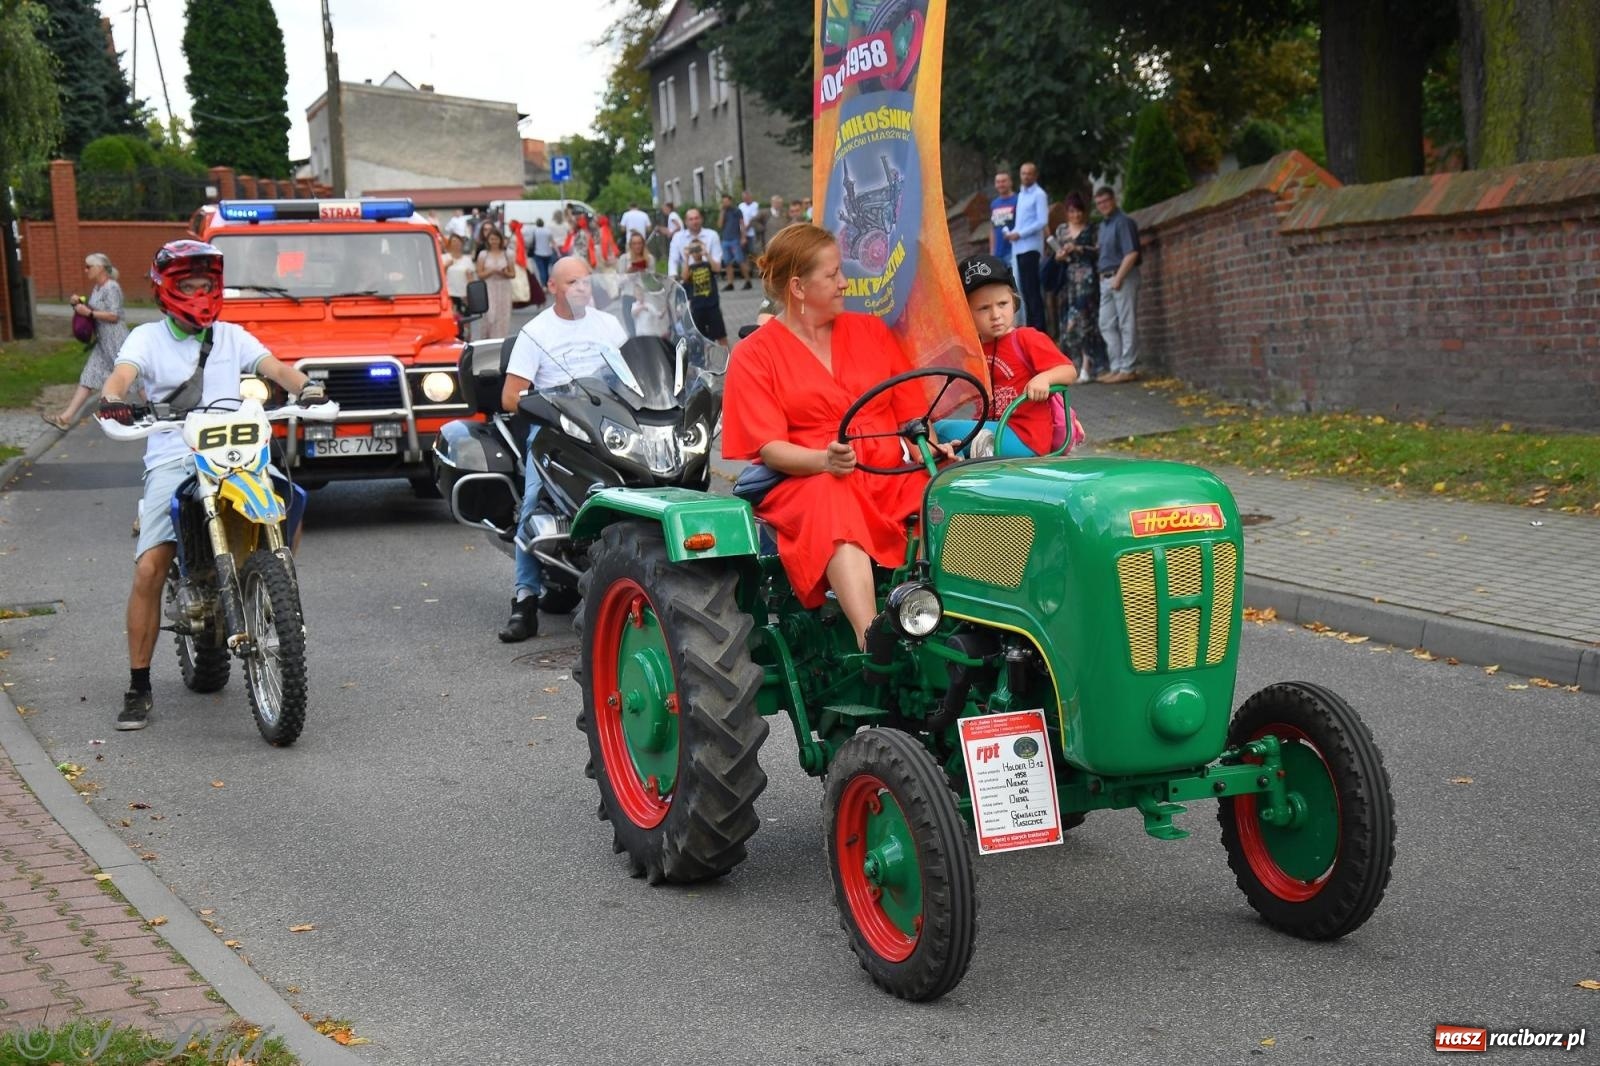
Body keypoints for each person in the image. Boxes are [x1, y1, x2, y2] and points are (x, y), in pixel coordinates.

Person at [96, 241, 322, 730]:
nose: (200, 293)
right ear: (167, 290)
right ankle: (139, 686)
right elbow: (122, 375)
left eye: (206, 284)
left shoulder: (233, 336)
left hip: (237, 452)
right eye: (189, 285)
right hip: (175, 453)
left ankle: (267, 586)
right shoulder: (147, 339)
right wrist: (114, 398)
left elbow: (276, 368)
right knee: (152, 566)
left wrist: (306, 386)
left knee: (289, 504)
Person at [722, 224, 956, 650]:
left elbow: (911, 413)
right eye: (831, 275)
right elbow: (770, 449)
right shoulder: (755, 354)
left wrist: (933, 445)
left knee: (951, 491)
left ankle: (941, 616)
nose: (845, 282)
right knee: (834, 501)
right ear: (798, 286)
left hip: (886, 471)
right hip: (808, 479)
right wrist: (823, 461)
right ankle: (873, 640)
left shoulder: (869, 332)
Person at [496, 257, 629, 641]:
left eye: (586, 281)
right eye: (573, 282)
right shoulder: (536, 333)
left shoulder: (609, 325)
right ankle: (524, 599)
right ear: (553, 287)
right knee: (534, 501)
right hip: (556, 431)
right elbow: (510, 396)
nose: (582, 288)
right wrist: (550, 406)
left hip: (609, 427)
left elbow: (634, 373)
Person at [933, 254, 1077, 458]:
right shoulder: (973, 350)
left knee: (941, 431)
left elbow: (1069, 371)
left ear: (1014, 302)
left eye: (1002, 304)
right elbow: (950, 393)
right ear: (966, 314)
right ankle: (970, 456)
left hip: (1026, 438)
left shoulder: (1026, 338)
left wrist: (1044, 378)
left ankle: (981, 453)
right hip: (992, 428)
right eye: (984, 308)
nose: (996, 315)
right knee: (930, 429)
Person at [46, 253, 130, 430]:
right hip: (103, 340)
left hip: (116, 339)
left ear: (99, 268)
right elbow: (95, 308)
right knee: (89, 376)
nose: (85, 271)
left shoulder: (111, 287)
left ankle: (154, 412)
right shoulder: (98, 288)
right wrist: (79, 303)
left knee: (134, 378)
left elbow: (114, 315)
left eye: (88, 267)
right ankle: (66, 418)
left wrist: (89, 313)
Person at [1052, 192, 1108, 382]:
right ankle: (1073, 365)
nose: (1075, 215)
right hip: (1068, 280)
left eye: (1078, 212)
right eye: (1072, 212)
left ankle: (1087, 366)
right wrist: (1059, 255)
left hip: (1087, 280)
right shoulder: (1061, 230)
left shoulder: (1091, 228)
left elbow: (1099, 251)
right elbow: (1056, 254)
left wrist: (1079, 249)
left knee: (1085, 321)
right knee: (1068, 325)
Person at [1094, 186, 1142, 383]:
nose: (1103, 206)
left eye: (1106, 201)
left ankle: (1128, 367)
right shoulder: (1104, 226)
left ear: (1114, 200)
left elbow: (1132, 252)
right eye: (1099, 203)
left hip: (1122, 276)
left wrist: (1119, 278)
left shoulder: (1123, 222)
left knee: (1126, 322)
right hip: (1106, 279)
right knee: (1105, 323)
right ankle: (1116, 367)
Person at [1005, 162, 1048, 329]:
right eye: (1023, 173)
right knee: (1023, 291)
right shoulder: (1021, 195)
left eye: (1029, 173)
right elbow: (1021, 222)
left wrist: (1020, 234)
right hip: (1019, 248)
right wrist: (1013, 233)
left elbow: (1042, 221)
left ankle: (1039, 328)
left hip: (1031, 247)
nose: (1026, 176)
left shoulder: (1039, 194)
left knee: (1033, 290)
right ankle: (1031, 326)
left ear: (1035, 175)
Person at [680, 239, 727, 344]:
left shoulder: (708, 264)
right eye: (693, 249)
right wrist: (686, 258)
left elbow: (717, 269)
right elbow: (684, 277)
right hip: (697, 307)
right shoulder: (690, 267)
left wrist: (707, 253)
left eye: (698, 249)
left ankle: (728, 358)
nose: (696, 252)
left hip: (712, 306)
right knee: (700, 339)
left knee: (721, 336)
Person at [474, 226, 516, 339]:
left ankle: (500, 341)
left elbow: (513, 274)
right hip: (489, 287)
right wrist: (491, 271)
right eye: (492, 239)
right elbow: (480, 274)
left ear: (500, 240)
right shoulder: (483, 254)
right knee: (489, 316)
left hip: (504, 288)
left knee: (502, 317)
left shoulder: (508, 254)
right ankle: (486, 340)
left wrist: (504, 273)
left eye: (496, 239)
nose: (494, 242)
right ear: (488, 240)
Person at [667, 208, 722, 276]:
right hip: (688, 275)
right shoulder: (677, 237)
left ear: (702, 219)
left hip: (709, 274)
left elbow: (717, 268)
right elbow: (673, 260)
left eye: (697, 218)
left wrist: (706, 254)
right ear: (686, 222)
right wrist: (673, 276)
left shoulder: (712, 235)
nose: (694, 222)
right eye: (691, 219)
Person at [440, 234, 474, 315]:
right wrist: (446, 267)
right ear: (450, 244)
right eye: (454, 241)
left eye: (459, 241)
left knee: (465, 322)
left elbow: (471, 280)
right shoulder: (444, 258)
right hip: (449, 295)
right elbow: (438, 278)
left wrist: (470, 295)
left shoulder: (467, 259)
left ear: (462, 244)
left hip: (463, 295)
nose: (456, 244)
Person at [989, 170, 1018, 260]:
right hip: (998, 253)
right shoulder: (994, 204)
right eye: (998, 182)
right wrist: (992, 251)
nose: (1001, 184)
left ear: (1010, 183)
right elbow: (993, 229)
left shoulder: (1018, 200)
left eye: (1004, 181)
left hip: (1014, 250)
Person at [529, 217, 555, 286]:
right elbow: (552, 241)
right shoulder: (548, 231)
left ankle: (544, 285)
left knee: (541, 270)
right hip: (548, 252)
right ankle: (547, 283)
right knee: (546, 269)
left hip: (538, 253)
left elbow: (531, 241)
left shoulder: (535, 231)